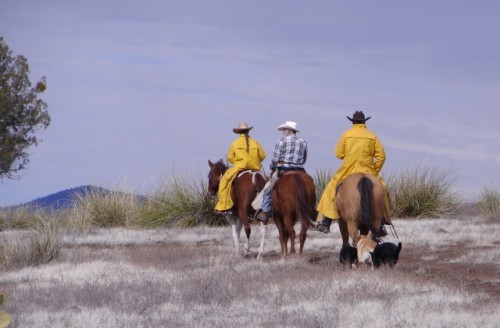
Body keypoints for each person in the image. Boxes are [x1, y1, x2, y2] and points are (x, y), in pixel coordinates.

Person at [316, 111, 391, 234]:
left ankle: (326, 221)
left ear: (353, 122)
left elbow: (338, 153)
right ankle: (382, 220)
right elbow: (382, 156)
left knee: (331, 188)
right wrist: (374, 169)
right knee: (382, 188)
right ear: (364, 122)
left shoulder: (346, 134)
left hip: (348, 169)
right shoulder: (372, 136)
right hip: (368, 169)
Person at [255, 121, 308, 222]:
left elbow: (275, 158)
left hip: (284, 169)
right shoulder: (303, 142)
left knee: (267, 189)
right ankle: (311, 210)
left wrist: (272, 167)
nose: (283, 131)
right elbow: (305, 158)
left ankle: (265, 211)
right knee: (310, 186)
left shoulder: (281, 141)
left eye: (284, 129)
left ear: (289, 130)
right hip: (299, 169)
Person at [214, 122, 266, 215]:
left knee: (224, 181)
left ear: (239, 132)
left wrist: (237, 161)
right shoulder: (256, 142)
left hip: (239, 167)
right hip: (255, 167)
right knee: (267, 183)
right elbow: (262, 156)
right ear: (248, 131)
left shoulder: (234, 143)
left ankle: (223, 206)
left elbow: (230, 158)